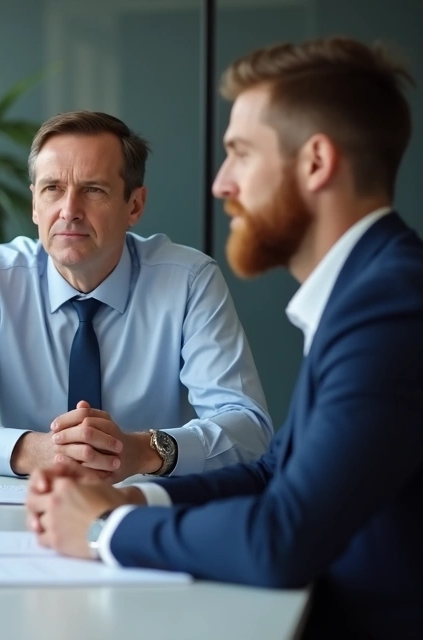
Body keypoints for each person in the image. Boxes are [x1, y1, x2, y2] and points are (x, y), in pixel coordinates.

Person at [26, 37, 421, 638]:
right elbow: (276, 474)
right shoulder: (367, 291)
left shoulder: (390, 307)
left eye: (239, 153)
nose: (220, 183)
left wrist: (105, 532)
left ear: (316, 163)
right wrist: (133, 502)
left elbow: (283, 540)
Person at [0, 110, 271, 482]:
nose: (69, 211)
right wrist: (31, 450)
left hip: (143, 509)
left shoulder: (189, 281)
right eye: (53, 188)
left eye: (93, 190)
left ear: (135, 205)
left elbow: (249, 429)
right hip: (12, 512)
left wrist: (141, 451)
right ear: (35, 203)